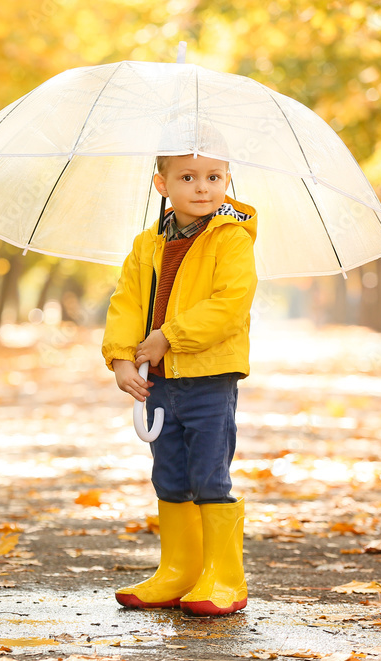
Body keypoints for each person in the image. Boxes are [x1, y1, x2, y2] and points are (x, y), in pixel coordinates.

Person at [101, 152, 257, 616]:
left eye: (214, 177)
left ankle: (225, 577)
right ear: (162, 184)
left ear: (228, 180)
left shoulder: (231, 239)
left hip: (210, 376)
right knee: (169, 472)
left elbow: (230, 303)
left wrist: (170, 335)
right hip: (160, 381)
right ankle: (179, 571)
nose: (203, 187)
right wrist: (121, 357)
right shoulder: (147, 244)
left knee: (209, 473)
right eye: (188, 177)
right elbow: (127, 301)